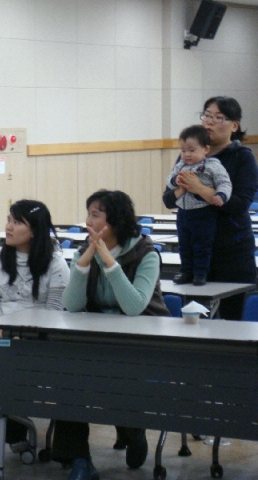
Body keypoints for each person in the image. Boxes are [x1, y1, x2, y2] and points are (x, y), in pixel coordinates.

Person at [55, 190, 170, 480]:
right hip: (98, 337)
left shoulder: (146, 254)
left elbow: (134, 306)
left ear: (115, 221)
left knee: (119, 377)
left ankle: (133, 431)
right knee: (68, 375)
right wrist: (84, 263)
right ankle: (79, 458)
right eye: (88, 214)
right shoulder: (85, 251)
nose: (87, 221)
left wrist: (108, 260)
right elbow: (72, 305)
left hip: (139, 339)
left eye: (95, 215)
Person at [0, 199, 70, 452]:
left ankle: (15, 433)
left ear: (34, 231)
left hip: (36, 338)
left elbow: (55, 309)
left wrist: (22, 332)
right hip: (0, 330)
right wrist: (1, 326)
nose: (8, 227)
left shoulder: (55, 263)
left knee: (11, 350)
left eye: (17, 222)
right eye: (9, 220)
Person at [163, 96, 258, 319]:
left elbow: (239, 205)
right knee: (196, 320)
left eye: (219, 117)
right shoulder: (188, 155)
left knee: (233, 323)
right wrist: (181, 189)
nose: (210, 122)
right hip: (195, 253)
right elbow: (169, 199)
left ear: (234, 126)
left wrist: (200, 189)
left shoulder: (242, 157)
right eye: (206, 115)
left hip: (232, 254)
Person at [166, 124, 232, 286]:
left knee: (201, 245)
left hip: (203, 212)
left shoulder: (212, 166)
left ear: (205, 149)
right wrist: (175, 180)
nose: (187, 154)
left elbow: (224, 183)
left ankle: (200, 274)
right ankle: (185, 271)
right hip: (183, 212)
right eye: (183, 151)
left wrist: (221, 195)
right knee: (184, 245)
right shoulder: (180, 166)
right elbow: (169, 181)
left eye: (192, 150)